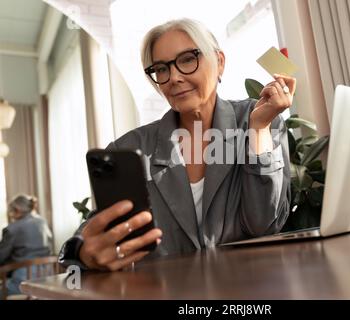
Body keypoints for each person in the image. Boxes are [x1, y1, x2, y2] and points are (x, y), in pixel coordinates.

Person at [59, 18, 295, 271]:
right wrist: (81, 253)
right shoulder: (127, 148)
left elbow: (264, 224)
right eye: (161, 68)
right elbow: (93, 233)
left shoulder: (256, 119)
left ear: (219, 63)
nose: (173, 77)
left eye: (187, 60)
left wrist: (258, 129)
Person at [0, 194, 53, 295]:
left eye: (12, 211)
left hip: (24, 281)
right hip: (48, 277)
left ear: (17, 210)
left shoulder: (12, 229)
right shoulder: (42, 222)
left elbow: (1, 256)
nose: (11, 215)